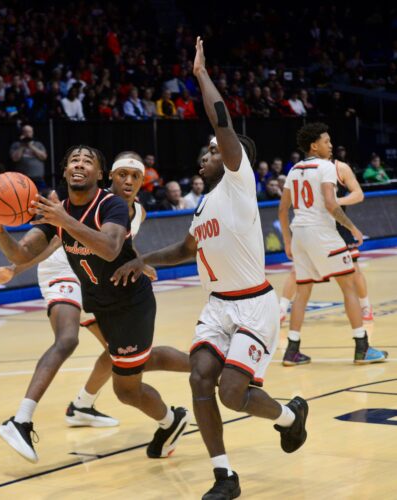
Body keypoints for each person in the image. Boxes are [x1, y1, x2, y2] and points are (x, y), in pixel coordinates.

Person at [112, 38, 308, 499]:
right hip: (218, 306)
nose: (206, 155)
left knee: (232, 393)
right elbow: (185, 248)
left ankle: (289, 416)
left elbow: (221, 122)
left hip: (253, 305)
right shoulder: (203, 206)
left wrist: (201, 76)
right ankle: (224, 477)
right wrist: (142, 260)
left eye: (214, 151)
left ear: (234, 156)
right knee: (200, 376)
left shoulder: (239, 181)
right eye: (206, 151)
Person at [0, 145, 190, 464]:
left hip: (129, 305)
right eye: (74, 160)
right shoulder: (59, 209)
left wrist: (136, 260)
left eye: (87, 161)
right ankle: (37, 416)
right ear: (65, 171)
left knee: (127, 387)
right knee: (108, 360)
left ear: (100, 175)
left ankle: (180, 407)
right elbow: (24, 252)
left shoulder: (112, 205)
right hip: (94, 297)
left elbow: (111, 248)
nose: (79, 164)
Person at [278, 122, 387, 366]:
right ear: (314, 146)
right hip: (321, 233)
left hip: (300, 234)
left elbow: (283, 210)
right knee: (348, 286)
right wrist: (352, 227)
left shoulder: (294, 169)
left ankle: (292, 350)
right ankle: (362, 347)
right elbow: (330, 203)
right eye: (326, 141)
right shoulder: (326, 167)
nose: (331, 145)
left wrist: (287, 240)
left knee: (302, 292)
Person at [279, 157, 373, 323]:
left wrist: (336, 201)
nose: (328, 146)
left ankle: (365, 306)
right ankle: (281, 309)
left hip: (339, 225)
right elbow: (285, 206)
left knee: (354, 270)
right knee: (297, 271)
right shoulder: (303, 170)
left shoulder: (340, 168)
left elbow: (359, 194)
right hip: (315, 227)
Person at [9, 124, 48, 191]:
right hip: (22, 179)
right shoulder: (16, 145)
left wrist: (31, 146)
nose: (27, 134)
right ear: (22, 133)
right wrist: (22, 145)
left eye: (29, 132)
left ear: (32, 133)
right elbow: (15, 159)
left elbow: (44, 157)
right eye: (25, 132)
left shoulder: (38, 144)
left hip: (38, 178)